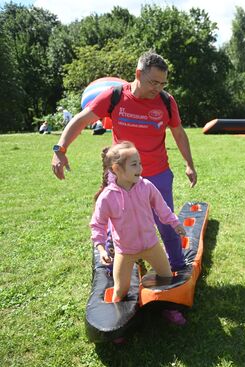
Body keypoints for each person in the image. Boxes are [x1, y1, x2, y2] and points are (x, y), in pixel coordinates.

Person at [51, 51, 196, 324]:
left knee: (167, 226)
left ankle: (175, 282)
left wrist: (189, 163)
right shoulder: (115, 96)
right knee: (112, 229)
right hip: (120, 179)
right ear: (138, 74)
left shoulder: (166, 101)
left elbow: (178, 132)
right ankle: (112, 287)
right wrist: (60, 149)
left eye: (163, 83)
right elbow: (81, 119)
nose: (159, 89)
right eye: (154, 82)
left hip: (158, 176)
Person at [90, 141, 186, 308]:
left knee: (167, 277)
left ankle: (169, 308)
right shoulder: (107, 197)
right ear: (117, 169)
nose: (140, 168)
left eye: (140, 163)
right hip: (125, 251)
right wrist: (101, 248)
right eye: (134, 165)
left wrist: (174, 223)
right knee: (121, 289)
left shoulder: (146, 186)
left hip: (151, 245)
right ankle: (118, 322)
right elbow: (98, 224)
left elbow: (162, 208)